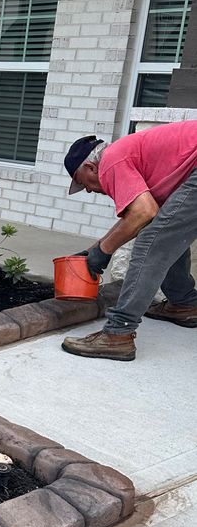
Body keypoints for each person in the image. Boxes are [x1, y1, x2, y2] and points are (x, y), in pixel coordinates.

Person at [60, 121, 197, 361]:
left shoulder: (112, 159)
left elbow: (143, 213)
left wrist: (104, 251)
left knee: (151, 242)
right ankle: (184, 304)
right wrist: (94, 250)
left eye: (83, 183)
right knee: (165, 232)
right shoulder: (132, 156)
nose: (89, 191)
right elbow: (146, 216)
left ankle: (118, 334)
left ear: (92, 167)